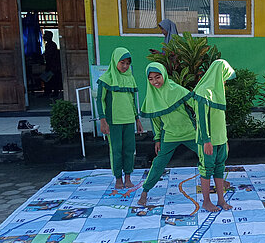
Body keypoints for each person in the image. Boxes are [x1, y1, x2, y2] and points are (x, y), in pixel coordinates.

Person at [137, 62, 197, 206]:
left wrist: (205, 126)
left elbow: (196, 103)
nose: (155, 82)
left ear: (163, 75)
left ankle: (220, 180)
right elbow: (155, 121)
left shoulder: (177, 89)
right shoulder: (152, 96)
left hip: (190, 132)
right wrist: (157, 138)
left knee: (208, 156)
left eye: (157, 77)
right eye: (150, 79)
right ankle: (145, 191)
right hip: (169, 135)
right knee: (158, 163)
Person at [97, 47, 144, 189]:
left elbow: (132, 101)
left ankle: (128, 177)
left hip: (129, 120)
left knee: (130, 149)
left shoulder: (130, 78)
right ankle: (118, 178)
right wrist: (103, 120)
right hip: (113, 122)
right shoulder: (106, 79)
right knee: (116, 149)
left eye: (128, 63)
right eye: (122, 62)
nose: (125, 66)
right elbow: (100, 100)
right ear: (115, 61)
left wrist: (137, 119)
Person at [194, 59, 235, 212]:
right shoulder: (204, 92)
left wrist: (225, 140)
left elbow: (220, 120)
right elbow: (202, 120)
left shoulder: (219, 92)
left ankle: (221, 199)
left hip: (220, 140)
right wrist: (206, 141)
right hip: (208, 142)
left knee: (219, 169)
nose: (225, 82)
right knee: (206, 170)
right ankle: (206, 201)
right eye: (224, 77)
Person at [42, 30, 61, 97]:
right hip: (51, 65)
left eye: (45, 35)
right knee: (48, 79)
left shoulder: (51, 45)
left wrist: (48, 66)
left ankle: (53, 92)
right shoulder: (49, 44)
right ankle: (48, 92)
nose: (43, 37)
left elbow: (50, 56)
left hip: (53, 65)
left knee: (52, 79)